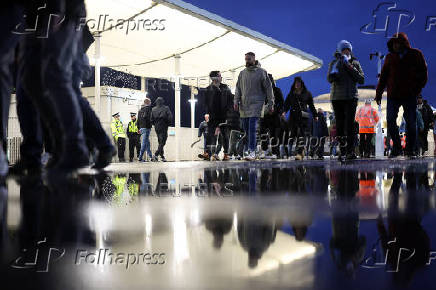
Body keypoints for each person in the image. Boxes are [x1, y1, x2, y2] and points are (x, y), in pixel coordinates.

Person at [375, 32, 428, 158]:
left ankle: (410, 149)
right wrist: (378, 93)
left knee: (411, 122)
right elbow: (383, 77)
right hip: (393, 95)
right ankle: (397, 148)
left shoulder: (416, 54)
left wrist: (417, 89)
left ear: (403, 43)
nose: (395, 46)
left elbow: (423, 73)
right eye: (393, 43)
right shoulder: (389, 57)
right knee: (390, 120)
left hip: (410, 94)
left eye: (397, 43)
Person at [328, 40, 365, 161]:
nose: (346, 51)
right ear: (340, 51)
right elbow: (330, 78)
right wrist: (339, 66)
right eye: (344, 49)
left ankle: (350, 151)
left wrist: (349, 66)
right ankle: (342, 150)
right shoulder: (334, 63)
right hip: (337, 98)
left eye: (348, 49)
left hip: (351, 98)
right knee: (340, 125)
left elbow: (361, 79)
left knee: (350, 125)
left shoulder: (355, 63)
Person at [234, 52, 274, 161]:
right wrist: (236, 101)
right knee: (247, 130)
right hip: (244, 105)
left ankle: (251, 151)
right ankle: (252, 150)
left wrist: (271, 103)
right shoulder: (242, 73)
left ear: (254, 59)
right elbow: (238, 88)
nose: (247, 61)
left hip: (257, 105)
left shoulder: (262, 72)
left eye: (249, 59)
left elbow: (269, 88)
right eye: (246, 59)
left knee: (252, 128)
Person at [282, 77, 317, 160]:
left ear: (302, 84)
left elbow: (311, 106)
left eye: (298, 83)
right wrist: (284, 112)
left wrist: (315, 115)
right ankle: (299, 150)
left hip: (303, 115)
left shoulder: (307, 93)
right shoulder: (291, 94)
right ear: (294, 85)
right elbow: (286, 105)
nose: (297, 84)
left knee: (302, 134)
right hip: (293, 115)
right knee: (293, 134)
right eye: (296, 83)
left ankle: (300, 152)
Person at [205, 71, 233, 161]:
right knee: (212, 135)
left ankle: (226, 154)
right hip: (212, 116)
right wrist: (206, 113)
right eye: (219, 76)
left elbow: (230, 100)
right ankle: (212, 154)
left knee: (225, 135)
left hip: (223, 115)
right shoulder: (208, 89)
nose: (221, 77)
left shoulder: (225, 87)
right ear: (213, 78)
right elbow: (205, 103)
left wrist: (229, 112)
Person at [259, 74, 284, 158]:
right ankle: (265, 150)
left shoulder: (277, 90)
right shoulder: (262, 91)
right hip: (264, 116)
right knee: (262, 133)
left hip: (274, 116)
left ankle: (275, 153)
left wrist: (276, 111)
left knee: (274, 135)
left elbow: (282, 103)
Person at [151, 97, 173, 162]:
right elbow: (170, 117)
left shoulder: (153, 109)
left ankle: (162, 156)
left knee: (160, 141)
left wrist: (155, 124)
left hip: (157, 127)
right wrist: (168, 124)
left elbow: (151, 119)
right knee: (163, 141)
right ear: (162, 101)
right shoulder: (166, 108)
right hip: (163, 126)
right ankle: (156, 154)